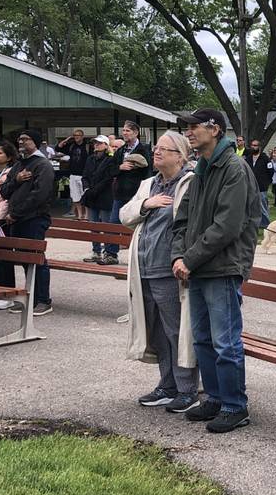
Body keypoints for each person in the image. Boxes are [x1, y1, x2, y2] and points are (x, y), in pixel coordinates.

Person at [171, 108, 260, 433]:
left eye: (194, 126)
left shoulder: (233, 168)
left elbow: (227, 227)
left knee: (225, 342)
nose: (189, 132)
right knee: (204, 340)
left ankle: (235, 406)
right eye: (187, 127)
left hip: (222, 268)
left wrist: (189, 259)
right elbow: (183, 218)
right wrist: (179, 255)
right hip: (199, 268)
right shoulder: (202, 169)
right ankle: (215, 398)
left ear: (216, 129)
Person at [121, 131, 199, 412]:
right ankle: (167, 385)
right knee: (156, 331)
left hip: (168, 270)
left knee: (176, 330)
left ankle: (187, 390)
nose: (157, 153)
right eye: (156, 148)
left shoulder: (189, 184)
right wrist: (146, 204)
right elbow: (125, 215)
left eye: (164, 149)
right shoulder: (148, 184)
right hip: (143, 266)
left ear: (180, 156)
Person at [0, 129, 55, 316]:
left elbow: (40, 195)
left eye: (25, 139)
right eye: (19, 139)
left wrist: (16, 213)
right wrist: (16, 179)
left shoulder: (42, 165)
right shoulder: (19, 165)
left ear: (36, 142)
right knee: (24, 260)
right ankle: (30, 298)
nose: (21, 142)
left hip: (34, 219)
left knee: (36, 259)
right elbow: (4, 191)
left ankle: (43, 301)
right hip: (17, 220)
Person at [107, 121, 152, 265]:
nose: (124, 133)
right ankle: (111, 254)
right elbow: (110, 169)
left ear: (136, 133)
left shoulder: (144, 149)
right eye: (123, 130)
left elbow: (149, 173)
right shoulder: (120, 151)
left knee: (137, 226)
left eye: (127, 131)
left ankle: (138, 257)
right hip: (119, 194)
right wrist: (120, 167)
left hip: (136, 195)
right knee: (113, 224)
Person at [80, 136, 117, 263]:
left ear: (106, 145)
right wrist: (86, 189)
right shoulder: (90, 159)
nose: (96, 145)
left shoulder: (110, 159)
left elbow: (108, 178)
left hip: (105, 196)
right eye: (95, 143)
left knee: (106, 226)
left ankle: (108, 252)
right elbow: (84, 176)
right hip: (91, 196)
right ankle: (96, 252)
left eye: (99, 143)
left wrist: (94, 190)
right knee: (93, 226)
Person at [0, 141, 17, 310]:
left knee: (3, 258)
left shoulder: (10, 174)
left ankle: (9, 295)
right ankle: (0, 292)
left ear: (9, 157)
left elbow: (6, 201)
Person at [56, 129, 89, 220]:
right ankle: (79, 214)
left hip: (84, 175)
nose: (76, 137)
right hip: (73, 174)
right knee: (75, 196)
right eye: (74, 135)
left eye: (78, 135)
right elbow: (58, 148)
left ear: (82, 136)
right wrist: (66, 140)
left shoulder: (87, 146)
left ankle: (86, 215)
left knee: (85, 195)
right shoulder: (71, 146)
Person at [246, 139, 272, 229]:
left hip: (262, 186)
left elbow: (270, 171)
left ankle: (266, 224)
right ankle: (253, 223)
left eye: (255, 145)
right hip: (250, 186)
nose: (253, 147)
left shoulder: (265, 158)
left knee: (263, 206)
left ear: (259, 147)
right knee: (251, 206)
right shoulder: (248, 158)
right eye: (252, 145)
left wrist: (267, 182)